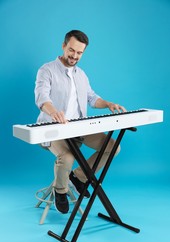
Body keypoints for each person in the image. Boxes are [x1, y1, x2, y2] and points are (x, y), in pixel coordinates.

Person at [35, 30, 126, 214]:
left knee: (113, 147)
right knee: (68, 157)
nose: (74, 56)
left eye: (79, 53)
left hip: (79, 128)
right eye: (71, 50)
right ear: (63, 45)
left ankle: (78, 178)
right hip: (53, 129)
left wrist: (107, 103)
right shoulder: (47, 70)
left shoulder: (81, 74)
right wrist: (54, 112)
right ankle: (60, 191)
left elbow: (92, 98)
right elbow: (42, 97)